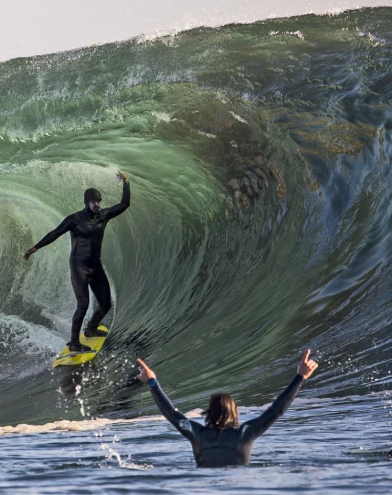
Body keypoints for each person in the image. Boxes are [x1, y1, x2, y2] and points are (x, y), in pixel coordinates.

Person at [135, 350, 319, 467]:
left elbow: (170, 413)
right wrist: (300, 377)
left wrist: (152, 382)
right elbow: (276, 410)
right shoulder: (245, 433)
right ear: (235, 412)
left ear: (208, 411)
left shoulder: (197, 433)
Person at [24, 171, 130, 352]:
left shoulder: (103, 216)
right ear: (87, 202)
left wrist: (126, 183)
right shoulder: (74, 219)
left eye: (99, 201)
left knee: (105, 303)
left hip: (95, 265)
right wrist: (35, 248)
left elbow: (124, 204)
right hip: (79, 266)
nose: (97, 204)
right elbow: (55, 233)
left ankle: (90, 329)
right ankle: (74, 342)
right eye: (94, 201)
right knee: (83, 304)